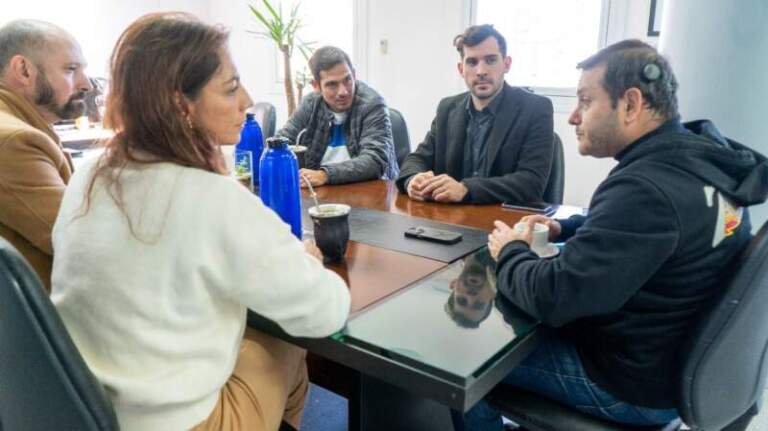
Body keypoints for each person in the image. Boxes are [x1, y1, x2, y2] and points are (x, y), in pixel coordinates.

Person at [50, 13, 351, 431]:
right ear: (179, 103)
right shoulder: (214, 198)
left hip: (83, 407)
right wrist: (309, 260)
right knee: (287, 340)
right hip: (181, 424)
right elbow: (327, 311)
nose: (247, 101)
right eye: (230, 88)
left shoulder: (88, 174)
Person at [453, 40, 768, 430]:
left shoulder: (645, 189)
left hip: (628, 385)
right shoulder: (695, 162)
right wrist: (566, 227)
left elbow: (552, 298)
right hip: (671, 358)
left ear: (631, 104)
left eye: (585, 100)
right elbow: (649, 234)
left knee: (465, 356)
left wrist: (512, 250)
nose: (574, 117)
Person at [396, 24, 554, 205]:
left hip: (508, 222)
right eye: (472, 62)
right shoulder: (448, 108)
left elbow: (532, 182)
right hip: (450, 222)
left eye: (491, 60)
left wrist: (466, 189)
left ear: (506, 64)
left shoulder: (535, 108)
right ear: (461, 69)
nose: (481, 71)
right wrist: (413, 180)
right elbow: (417, 158)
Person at [0, 19, 92, 291]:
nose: (86, 84)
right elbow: (82, 242)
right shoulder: (15, 142)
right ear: (24, 70)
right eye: (71, 69)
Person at [276, 45, 398, 187]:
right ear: (316, 85)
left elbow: (375, 160)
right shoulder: (310, 104)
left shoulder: (372, 104)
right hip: (322, 195)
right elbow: (281, 141)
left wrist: (324, 174)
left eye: (347, 80)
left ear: (354, 74)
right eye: (332, 85)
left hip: (370, 192)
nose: (343, 91)